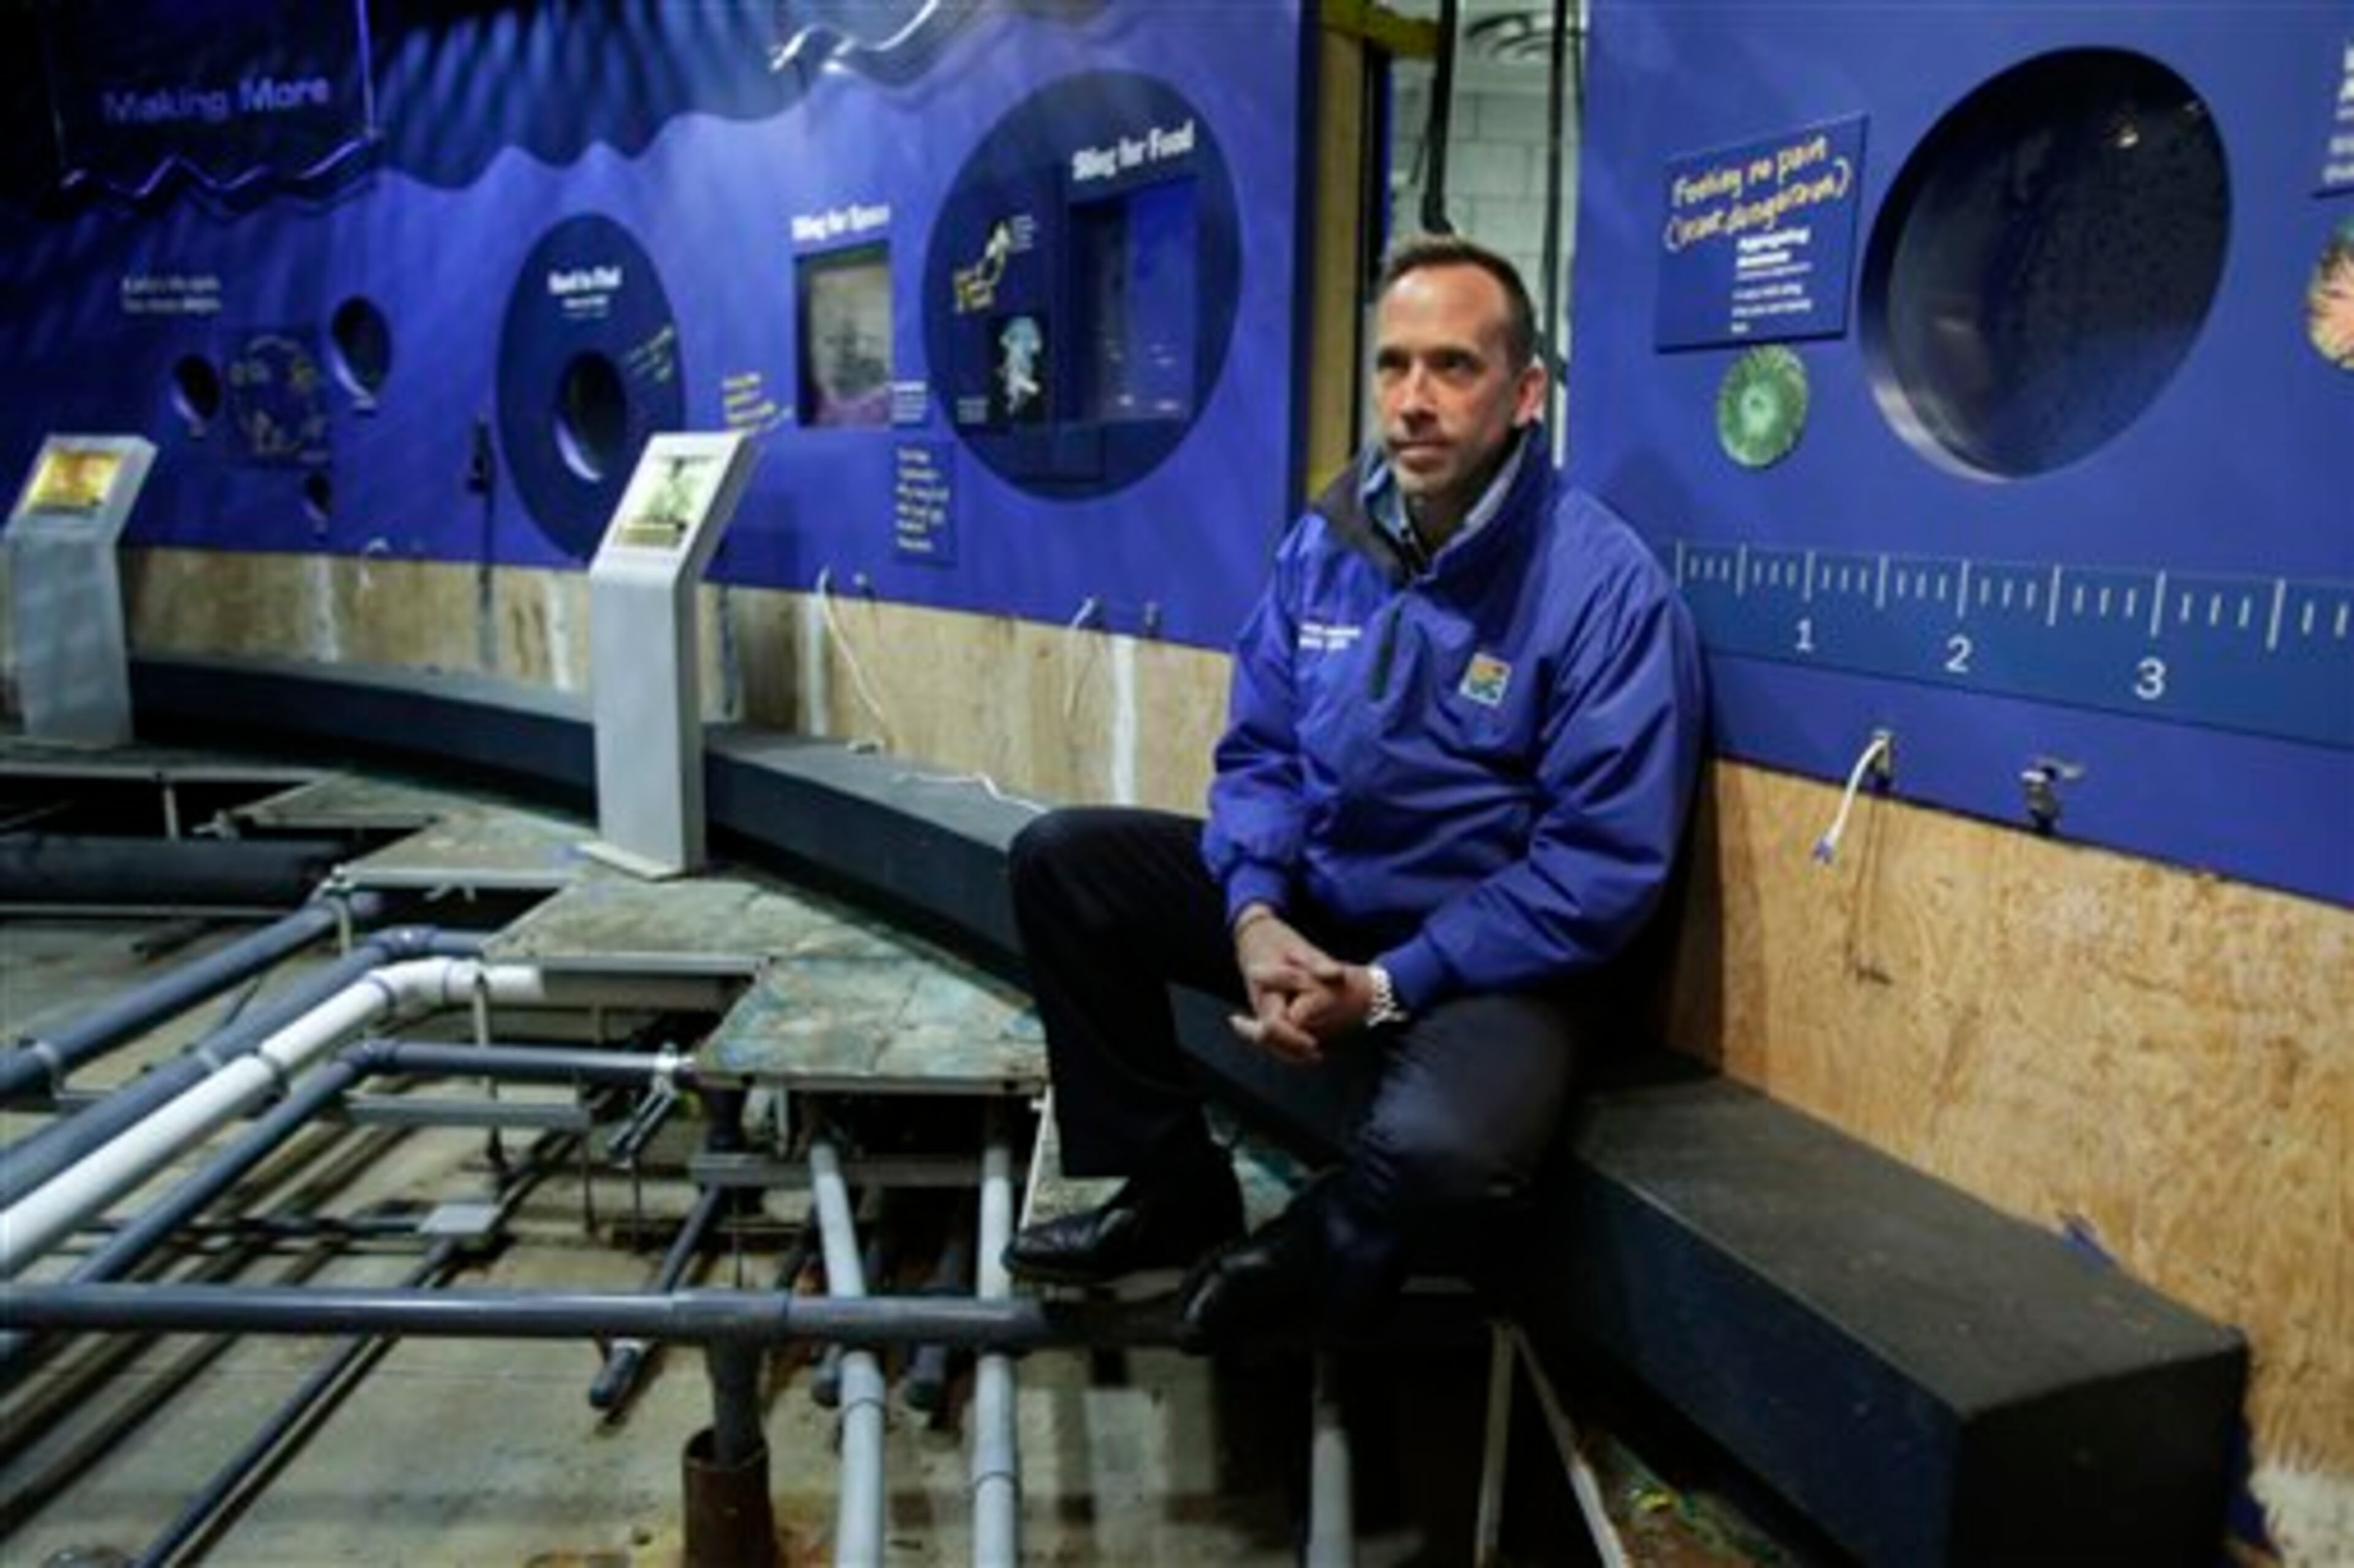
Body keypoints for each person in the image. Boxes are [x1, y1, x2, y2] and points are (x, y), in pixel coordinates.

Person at [1002, 234, 1705, 1343]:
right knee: (1064, 865)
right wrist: (1256, 912)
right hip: (1325, 900)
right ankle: (1171, 1178)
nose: (1414, 400)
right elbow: (1263, 753)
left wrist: (1387, 987)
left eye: (1453, 367)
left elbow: (1595, 868)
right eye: (1393, 365)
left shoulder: (1604, 590)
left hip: (1490, 959)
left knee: (1444, 1155)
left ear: (1525, 393)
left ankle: (1332, 1235)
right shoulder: (1329, 541)